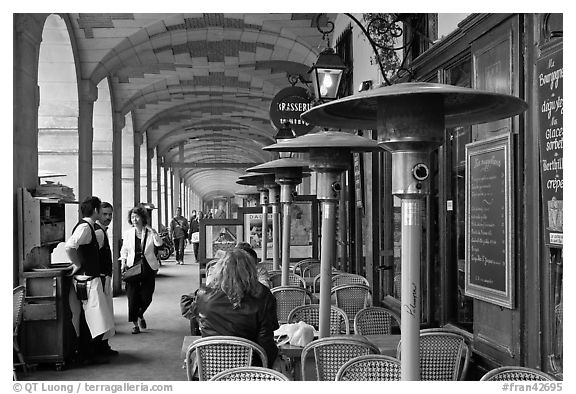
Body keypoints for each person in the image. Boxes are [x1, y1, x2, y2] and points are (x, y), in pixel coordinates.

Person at [180, 249, 279, 366]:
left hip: (211, 367)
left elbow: (186, 304)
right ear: (251, 270)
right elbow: (265, 341)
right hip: (250, 368)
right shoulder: (263, 296)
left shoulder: (204, 296)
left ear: (220, 269)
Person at [66, 196, 115, 365]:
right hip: (87, 279)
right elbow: (70, 246)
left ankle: (90, 352)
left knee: (94, 318)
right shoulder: (87, 228)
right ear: (95, 211)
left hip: (87, 278)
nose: (103, 214)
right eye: (101, 211)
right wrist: (78, 263)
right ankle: (86, 354)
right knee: (92, 318)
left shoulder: (88, 227)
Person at [120, 205, 163, 334]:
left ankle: (139, 314)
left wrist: (154, 233)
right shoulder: (128, 233)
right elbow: (125, 249)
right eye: (132, 217)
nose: (134, 220)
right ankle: (135, 324)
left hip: (148, 266)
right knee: (132, 296)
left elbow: (159, 244)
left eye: (137, 217)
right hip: (132, 266)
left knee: (147, 296)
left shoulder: (150, 232)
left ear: (143, 218)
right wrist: (123, 262)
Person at [93, 201, 118, 356]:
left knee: (106, 313)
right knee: (102, 314)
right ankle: (100, 348)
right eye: (105, 214)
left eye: (110, 214)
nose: (108, 217)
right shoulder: (98, 233)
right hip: (100, 278)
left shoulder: (102, 231)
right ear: (98, 214)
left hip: (105, 277)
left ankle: (104, 346)